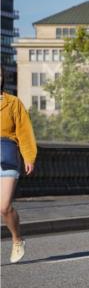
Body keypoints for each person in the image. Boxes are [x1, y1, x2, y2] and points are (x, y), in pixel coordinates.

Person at [1, 73, 37, 263]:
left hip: (7, 156)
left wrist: (29, 156)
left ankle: (17, 239)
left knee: (4, 207)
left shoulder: (13, 103)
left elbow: (24, 131)